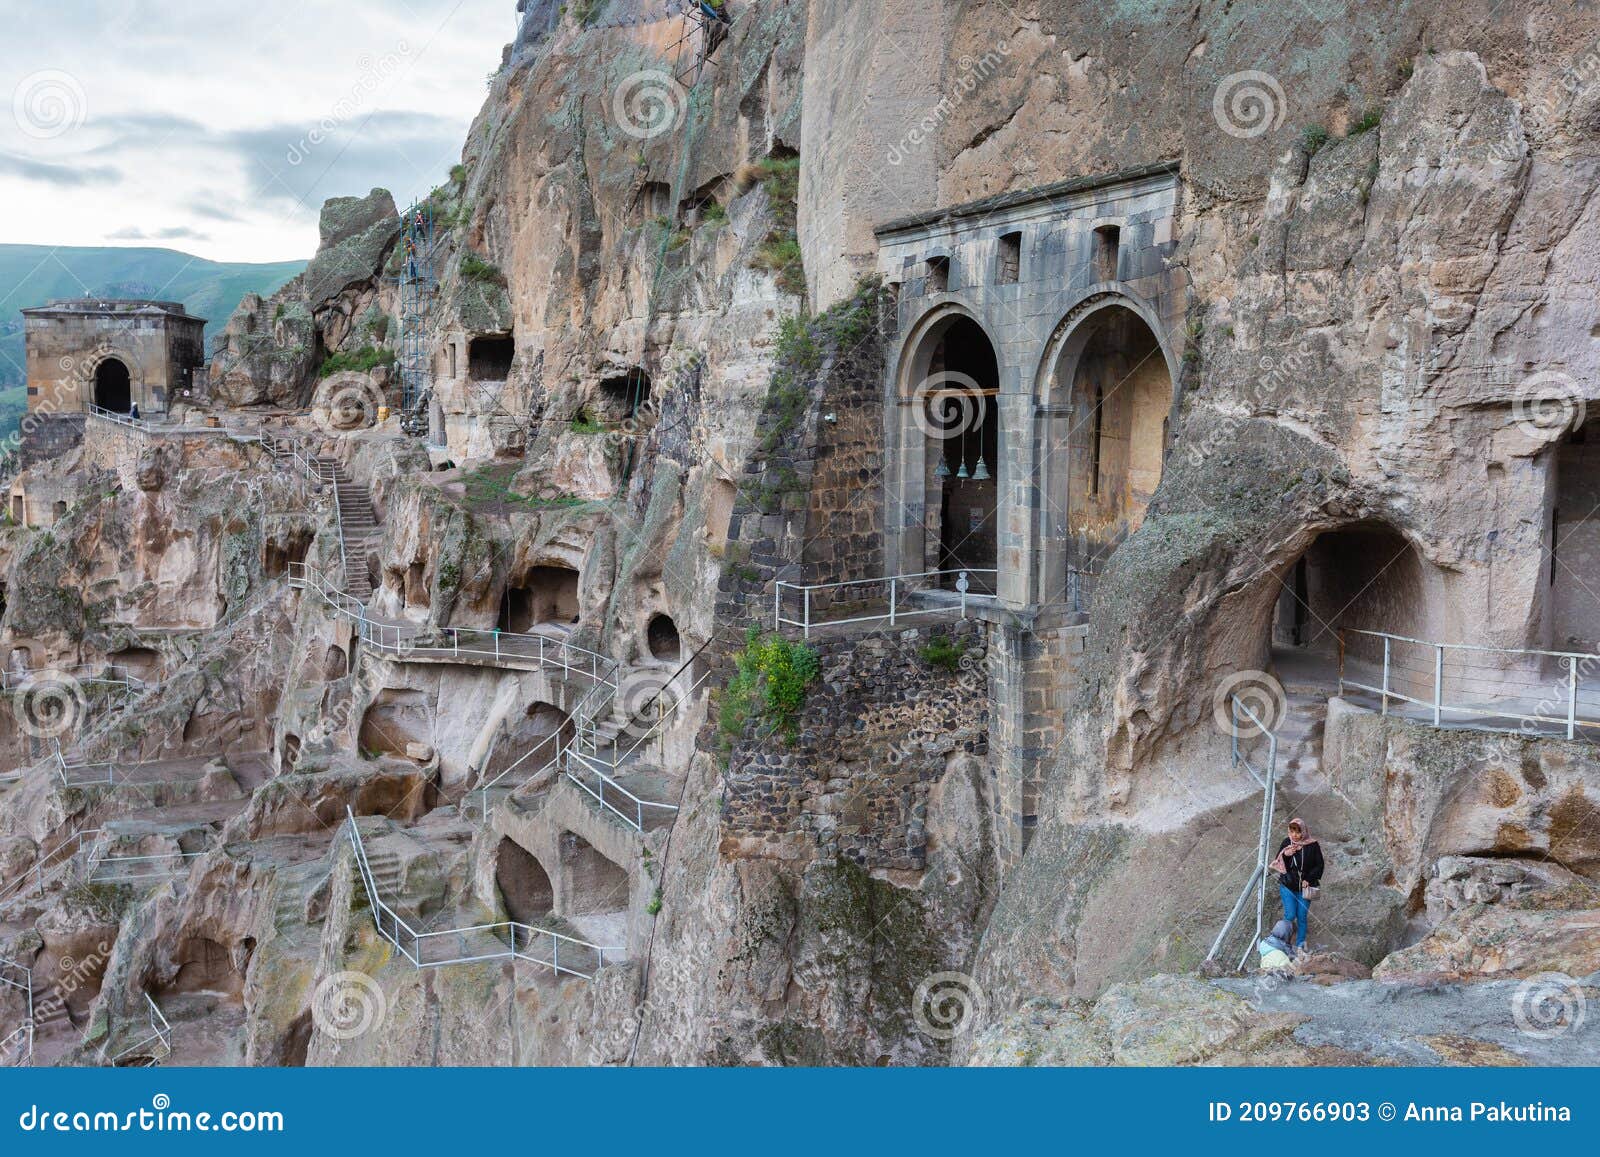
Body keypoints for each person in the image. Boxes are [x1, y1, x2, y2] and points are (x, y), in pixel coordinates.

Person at [1271, 817, 1322, 952]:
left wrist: (1309, 879)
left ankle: (1300, 947)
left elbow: (1319, 865)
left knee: (1302, 917)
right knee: (1289, 915)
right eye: (1292, 831)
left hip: (1305, 888)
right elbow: (1279, 862)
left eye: (1298, 831)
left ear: (1303, 831)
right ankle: (1282, 944)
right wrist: (1286, 854)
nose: (1295, 835)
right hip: (1288, 885)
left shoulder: (1313, 845)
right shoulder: (1287, 842)